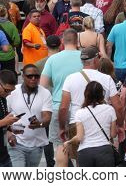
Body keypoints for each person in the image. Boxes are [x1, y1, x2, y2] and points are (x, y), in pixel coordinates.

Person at [59, 46, 123, 165]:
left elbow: (63, 107)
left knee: (82, 161)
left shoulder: (70, 78)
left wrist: (62, 127)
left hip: (76, 123)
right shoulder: (107, 78)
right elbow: (118, 106)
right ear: (95, 60)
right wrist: (119, 125)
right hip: (103, 122)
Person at [40, 29, 83, 166]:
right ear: (78, 42)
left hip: (58, 106)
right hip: (82, 108)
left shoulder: (53, 59)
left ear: (62, 42)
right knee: (83, 143)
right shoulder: (85, 57)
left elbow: (43, 86)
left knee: (60, 145)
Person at [63, 81, 117, 167]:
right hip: (105, 151)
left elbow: (79, 137)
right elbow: (113, 134)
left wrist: (69, 142)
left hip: (85, 152)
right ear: (102, 94)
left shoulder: (80, 113)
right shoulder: (110, 109)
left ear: (86, 95)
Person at [7, 64, 52, 167]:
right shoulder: (13, 92)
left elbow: (47, 118)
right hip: (16, 143)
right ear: (23, 76)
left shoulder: (45, 93)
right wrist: (9, 133)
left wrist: (39, 124)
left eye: (36, 76)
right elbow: (4, 115)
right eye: (30, 76)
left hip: (36, 145)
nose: (33, 79)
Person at [0, 70, 19, 167]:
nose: (9, 94)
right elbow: (3, 121)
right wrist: (4, 122)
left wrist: (9, 132)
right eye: (7, 90)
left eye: (11, 91)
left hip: (4, 154)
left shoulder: (2, 98)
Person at [0, 5, 20, 72]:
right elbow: (17, 41)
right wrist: (12, 45)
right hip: (9, 55)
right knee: (9, 74)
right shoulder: (11, 25)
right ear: (6, 14)